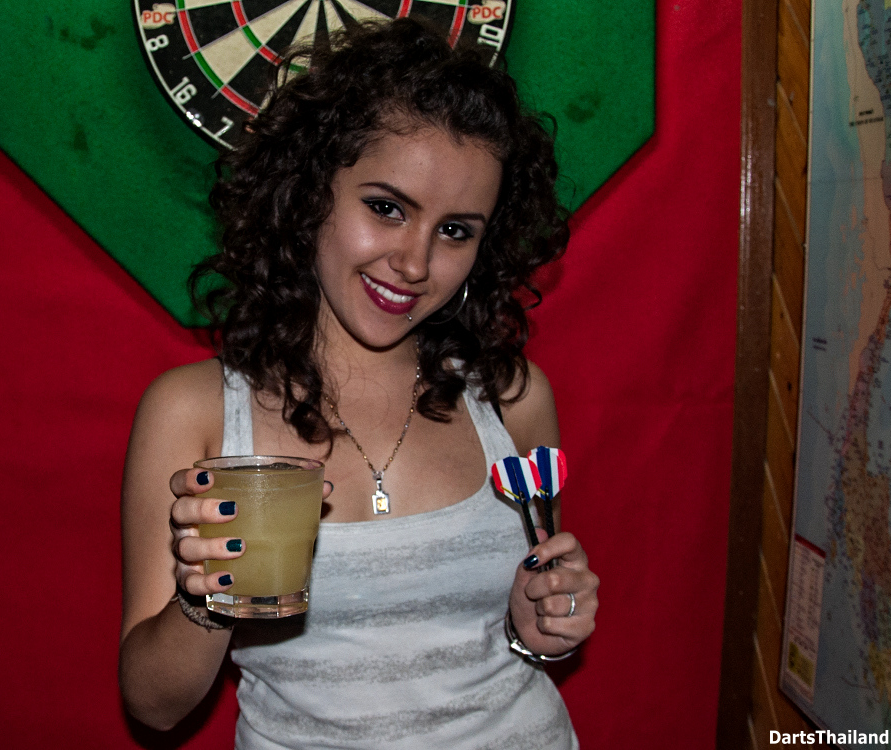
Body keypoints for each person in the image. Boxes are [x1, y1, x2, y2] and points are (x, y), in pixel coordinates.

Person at [119, 18, 599, 749]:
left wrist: (536, 627)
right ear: (311, 191)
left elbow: (520, 632)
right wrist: (208, 597)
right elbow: (155, 706)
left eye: (456, 230)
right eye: (386, 208)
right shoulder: (196, 411)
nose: (415, 262)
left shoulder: (512, 399)